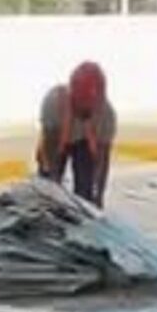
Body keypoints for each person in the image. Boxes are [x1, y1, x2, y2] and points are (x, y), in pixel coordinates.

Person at [37, 62, 116, 208]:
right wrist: (52, 192)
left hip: (85, 142)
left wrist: (98, 199)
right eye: (82, 105)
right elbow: (48, 157)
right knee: (46, 193)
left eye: (91, 106)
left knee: (86, 193)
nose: (86, 110)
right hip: (58, 136)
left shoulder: (106, 115)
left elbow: (103, 160)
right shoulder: (54, 103)